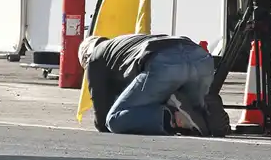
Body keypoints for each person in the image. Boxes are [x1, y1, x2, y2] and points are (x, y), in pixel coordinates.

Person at [78, 33, 230, 137]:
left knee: (114, 119)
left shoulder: (95, 57)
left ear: (86, 57)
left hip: (165, 64)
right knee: (194, 112)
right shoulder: (124, 44)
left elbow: (102, 119)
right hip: (201, 58)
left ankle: (174, 117)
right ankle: (206, 110)